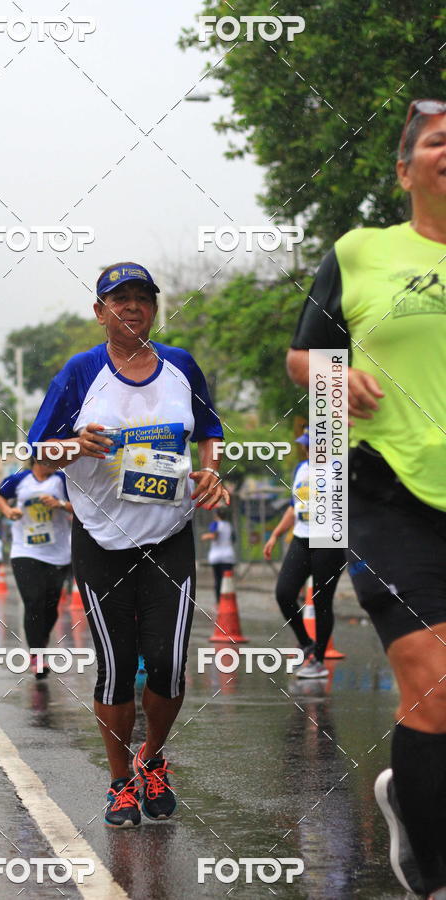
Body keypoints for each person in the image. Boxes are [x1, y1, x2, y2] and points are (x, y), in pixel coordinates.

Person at [286, 100, 446, 899]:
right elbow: (301, 356)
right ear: (405, 168)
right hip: (388, 489)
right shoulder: (362, 251)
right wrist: (332, 375)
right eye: (438, 140)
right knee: (435, 679)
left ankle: (415, 805)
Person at [28, 261, 228, 828]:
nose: (133, 307)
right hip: (99, 539)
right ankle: (119, 782)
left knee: (167, 663)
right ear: (100, 312)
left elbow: (210, 431)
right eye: (120, 299)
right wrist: (75, 445)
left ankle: (153, 758)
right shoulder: (79, 372)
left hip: (169, 533)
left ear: (155, 308)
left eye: (143, 298)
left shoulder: (180, 366)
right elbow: (40, 461)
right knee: (114, 670)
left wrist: (213, 472)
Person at [263, 428, 345, 678]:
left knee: (321, 602)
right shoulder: (301, 469)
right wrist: (276, 534)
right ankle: (306, 642)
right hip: (301, 538)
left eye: (312, 446)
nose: (307, 450)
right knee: (284, 594)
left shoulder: (340, 469)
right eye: (306, 445)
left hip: (329, 540)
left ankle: (318, 661)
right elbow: (294, 507)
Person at [0, 456, 73, 679]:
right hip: (25, 550)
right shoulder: (20, 479)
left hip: (57, 553)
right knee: (33, 600)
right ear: (38, 460)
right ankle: (37, 655)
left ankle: (41, 641)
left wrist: (60, 504)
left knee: (50, 606)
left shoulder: (62, 480)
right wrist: (8, 511)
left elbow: (81, 508)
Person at [200, 508, 236, 603]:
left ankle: (219, 601)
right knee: (227, 580)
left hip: (216, 557)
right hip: (228, 556)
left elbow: (214, 536)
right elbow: (233, 539)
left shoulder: (215, 524)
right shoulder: (229, 525)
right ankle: (228, 600)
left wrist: (205, 536)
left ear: (216, 515)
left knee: (218, 580)